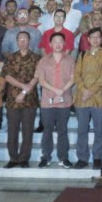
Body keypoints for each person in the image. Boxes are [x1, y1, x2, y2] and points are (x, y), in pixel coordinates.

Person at [73, 28, 102, 169]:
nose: (95, 39)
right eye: (93, 37)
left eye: (98, 37)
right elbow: (76, 74)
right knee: (82, 129)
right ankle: (82, 158)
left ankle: (97, 157)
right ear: (88, 39)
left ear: (101, 40)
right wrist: (84, 90)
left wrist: (90, 91)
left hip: (98, 98)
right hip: (81, 98)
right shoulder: (82, 54)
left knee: (99, 129)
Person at [1, 31, 41, 168]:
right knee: (12, 130)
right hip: (13, 98)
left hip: (30, 98)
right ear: (17, 41)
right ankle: (13, 158)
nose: (23, 41)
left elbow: (37, 76)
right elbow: (7, 76)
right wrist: (22, 86)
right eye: (20, 39)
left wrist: (25, 90)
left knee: (27, 130)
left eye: (25, 39)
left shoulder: (37, 58)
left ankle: (24, 158)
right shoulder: (11, 57)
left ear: (29, 41)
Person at [36, 33, 75, 169]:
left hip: (65, 100)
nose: (58, 44)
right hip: (48, 101)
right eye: (55, 42)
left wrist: (62, 90)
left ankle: (63, 158)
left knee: (62, 130)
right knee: (47, 130)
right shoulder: (43, 61)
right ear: (50, 44)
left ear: (64, 44)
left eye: (60, 41)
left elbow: (73, 78)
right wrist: (55, 90)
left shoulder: (70, 59)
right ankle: (46, 157)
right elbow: (41, 80)